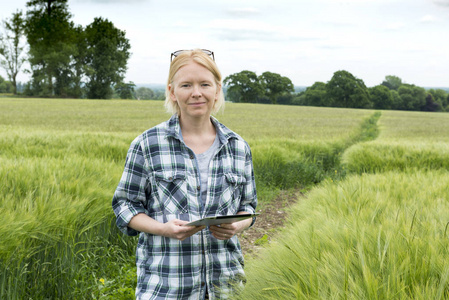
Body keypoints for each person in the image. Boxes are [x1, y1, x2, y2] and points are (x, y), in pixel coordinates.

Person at [112, 49, 258, 299]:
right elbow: (124, 206)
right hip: (166, 287)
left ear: (217, 89)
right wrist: (163, 229)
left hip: (226, 287)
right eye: (186, 85)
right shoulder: (147, 144)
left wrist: (237, 224)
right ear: (172, 91)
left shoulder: (238, 146)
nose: (196, 93)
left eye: (204, 84)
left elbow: (249, 206)